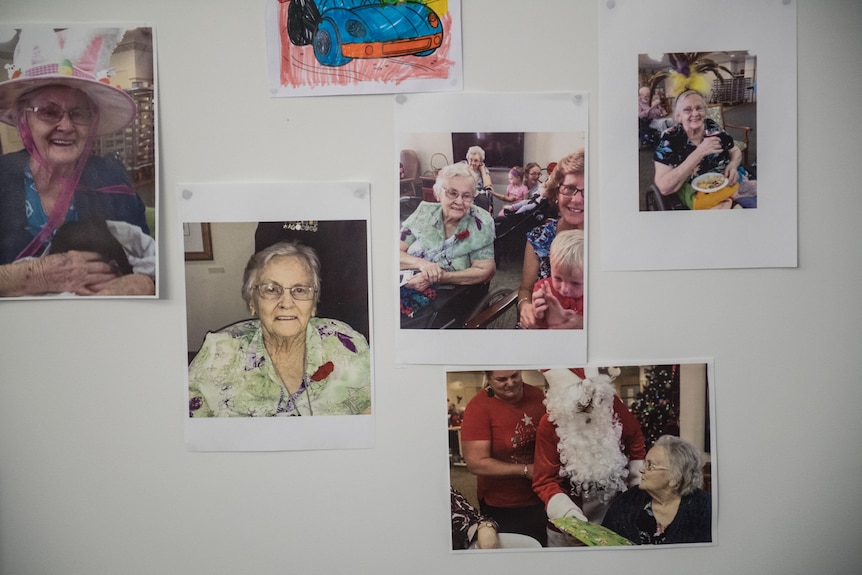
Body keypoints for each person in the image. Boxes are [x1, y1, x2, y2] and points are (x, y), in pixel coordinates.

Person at [0, 27, 155, 297]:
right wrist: (34, 275)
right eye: (49, 112)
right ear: (24, 120)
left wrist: (142, 285)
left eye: (79, 113)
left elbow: (152, 261)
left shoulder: (111, 176)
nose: (66, 125)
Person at [188, 241, 371, 417]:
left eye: (299, 290)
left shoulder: (346, 343)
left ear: (313, 304)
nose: (286, 303)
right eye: (271, 289)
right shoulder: (218, 353)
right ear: (252, 302)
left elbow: (376, 413)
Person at [533, 368, 646, 547]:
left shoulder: (610, 406)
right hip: (567, 530)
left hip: (614, 521)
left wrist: (638, 489)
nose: (593, 408)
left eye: (597, 399)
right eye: (582, 404)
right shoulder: (549, 426)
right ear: (565, 402)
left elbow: (635, 439)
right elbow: (545, 481)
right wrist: (571, 522)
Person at [399, 163, 496, 327]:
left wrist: (440, 276)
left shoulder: (480, 222)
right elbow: (395, 252)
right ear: (438, 193)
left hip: (447, 297)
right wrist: (424, 265)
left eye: (466, 195)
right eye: (452, 193)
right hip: (405, 282)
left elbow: (486, 271)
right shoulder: (423, 213)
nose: (459, 201)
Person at [460, 370, 549, 546]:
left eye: (515, 376)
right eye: (501, 379)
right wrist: (525, 470)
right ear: (489, 379)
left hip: (540, 493)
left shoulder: (537, 395)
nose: (510, 382)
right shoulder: (479, 407)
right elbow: (476, 464)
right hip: (501, 502)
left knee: (539, 549)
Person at [654, 89, 757, 209]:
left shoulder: (712, 126)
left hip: (729, 182)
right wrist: (699, 152)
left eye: (699, 108)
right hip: (701, 196)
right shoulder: (669, 138)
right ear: (678, 115)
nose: (695, 113)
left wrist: (733, 165)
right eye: (687, 110)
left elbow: (735, 151)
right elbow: (664, 187)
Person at [516, 149, 585, 329]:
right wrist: (526, 307)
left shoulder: (608, 242)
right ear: (556, 193)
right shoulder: (539, 237)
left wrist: (583, 325)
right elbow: (526, 289)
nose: (577, 200)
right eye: (569, 188)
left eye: (588, 191)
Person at [602, 435, 712, 545]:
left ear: (674, 477)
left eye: (650, 465)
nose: (641, 469)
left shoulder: (705, 507)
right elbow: (604, 543)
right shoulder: (626, 502)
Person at [531, 229, 584, 329]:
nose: (564, 289)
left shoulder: (594, 297)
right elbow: (536, 327)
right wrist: (538, 315)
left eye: (575, 283)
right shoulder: (543, 289)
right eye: (558, 278)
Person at [465, 145, 494, 214]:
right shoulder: (464, 171)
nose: (472, 163)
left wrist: (482, 170)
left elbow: (488, 185)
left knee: (482, 198)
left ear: (480, 162)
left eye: (476, 161)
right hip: (468, 196)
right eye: (470, 160)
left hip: (481, 199)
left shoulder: (484, 170)